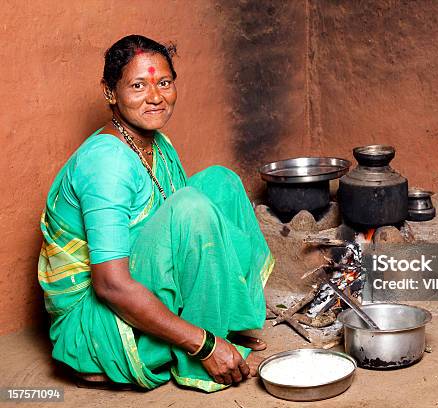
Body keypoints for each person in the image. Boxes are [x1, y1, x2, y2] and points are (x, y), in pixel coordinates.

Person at [37, 34, 274, 392]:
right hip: (97, 325)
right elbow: (110, 285)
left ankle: (223, 322)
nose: (155, 97)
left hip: (137, 275)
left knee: (219, 182)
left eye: (164, 83)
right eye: (138, 86)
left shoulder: (156, 143)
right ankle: (202, 347)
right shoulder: (106, 163)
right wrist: (203, 345)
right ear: (110, 93)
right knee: (191, 207)